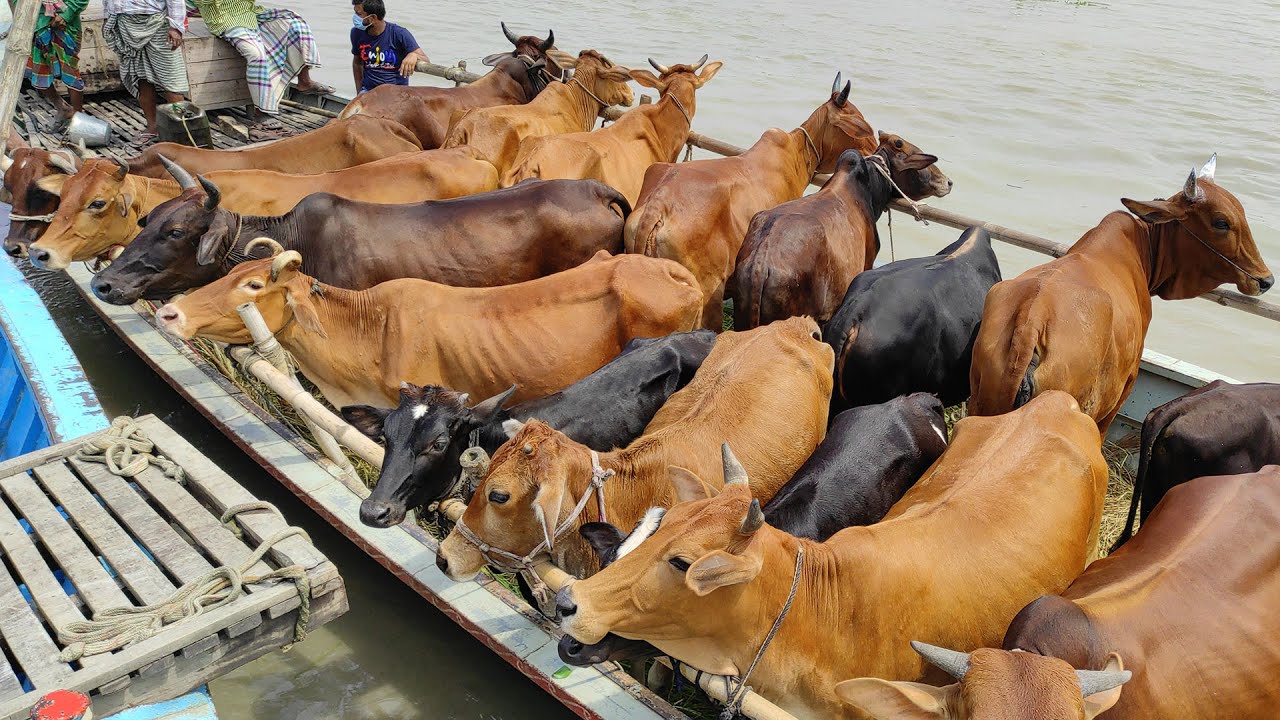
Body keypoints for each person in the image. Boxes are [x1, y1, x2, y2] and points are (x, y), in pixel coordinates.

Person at [186, 0, 332, 136]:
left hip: (251, 14)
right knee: (257, 54)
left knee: (295, 23)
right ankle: (262, 111)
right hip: (225, 20)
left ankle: (304, 81)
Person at [102, 0, 190, 146]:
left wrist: (175, 27)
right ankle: (152, 127)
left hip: (156, 22)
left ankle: (183, 132)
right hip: (124, 22)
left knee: (171, 79)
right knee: (140, 77)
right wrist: (107, 18)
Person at [25, 0, 86, 128]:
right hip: (36, 27)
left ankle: (78, 118)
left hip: (65, 25)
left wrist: (65, 15)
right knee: (39, 73)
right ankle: (62, 108)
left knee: (71, 72)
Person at [350, 0, 426, 94]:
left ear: (372, 17)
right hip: (369, 91)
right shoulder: (356, 33)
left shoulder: (399, 34)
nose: (355, 17)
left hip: (396, 93)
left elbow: (426, 61)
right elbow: (357, 63)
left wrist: (414, 55)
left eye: (358, 14)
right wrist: (359, 92)